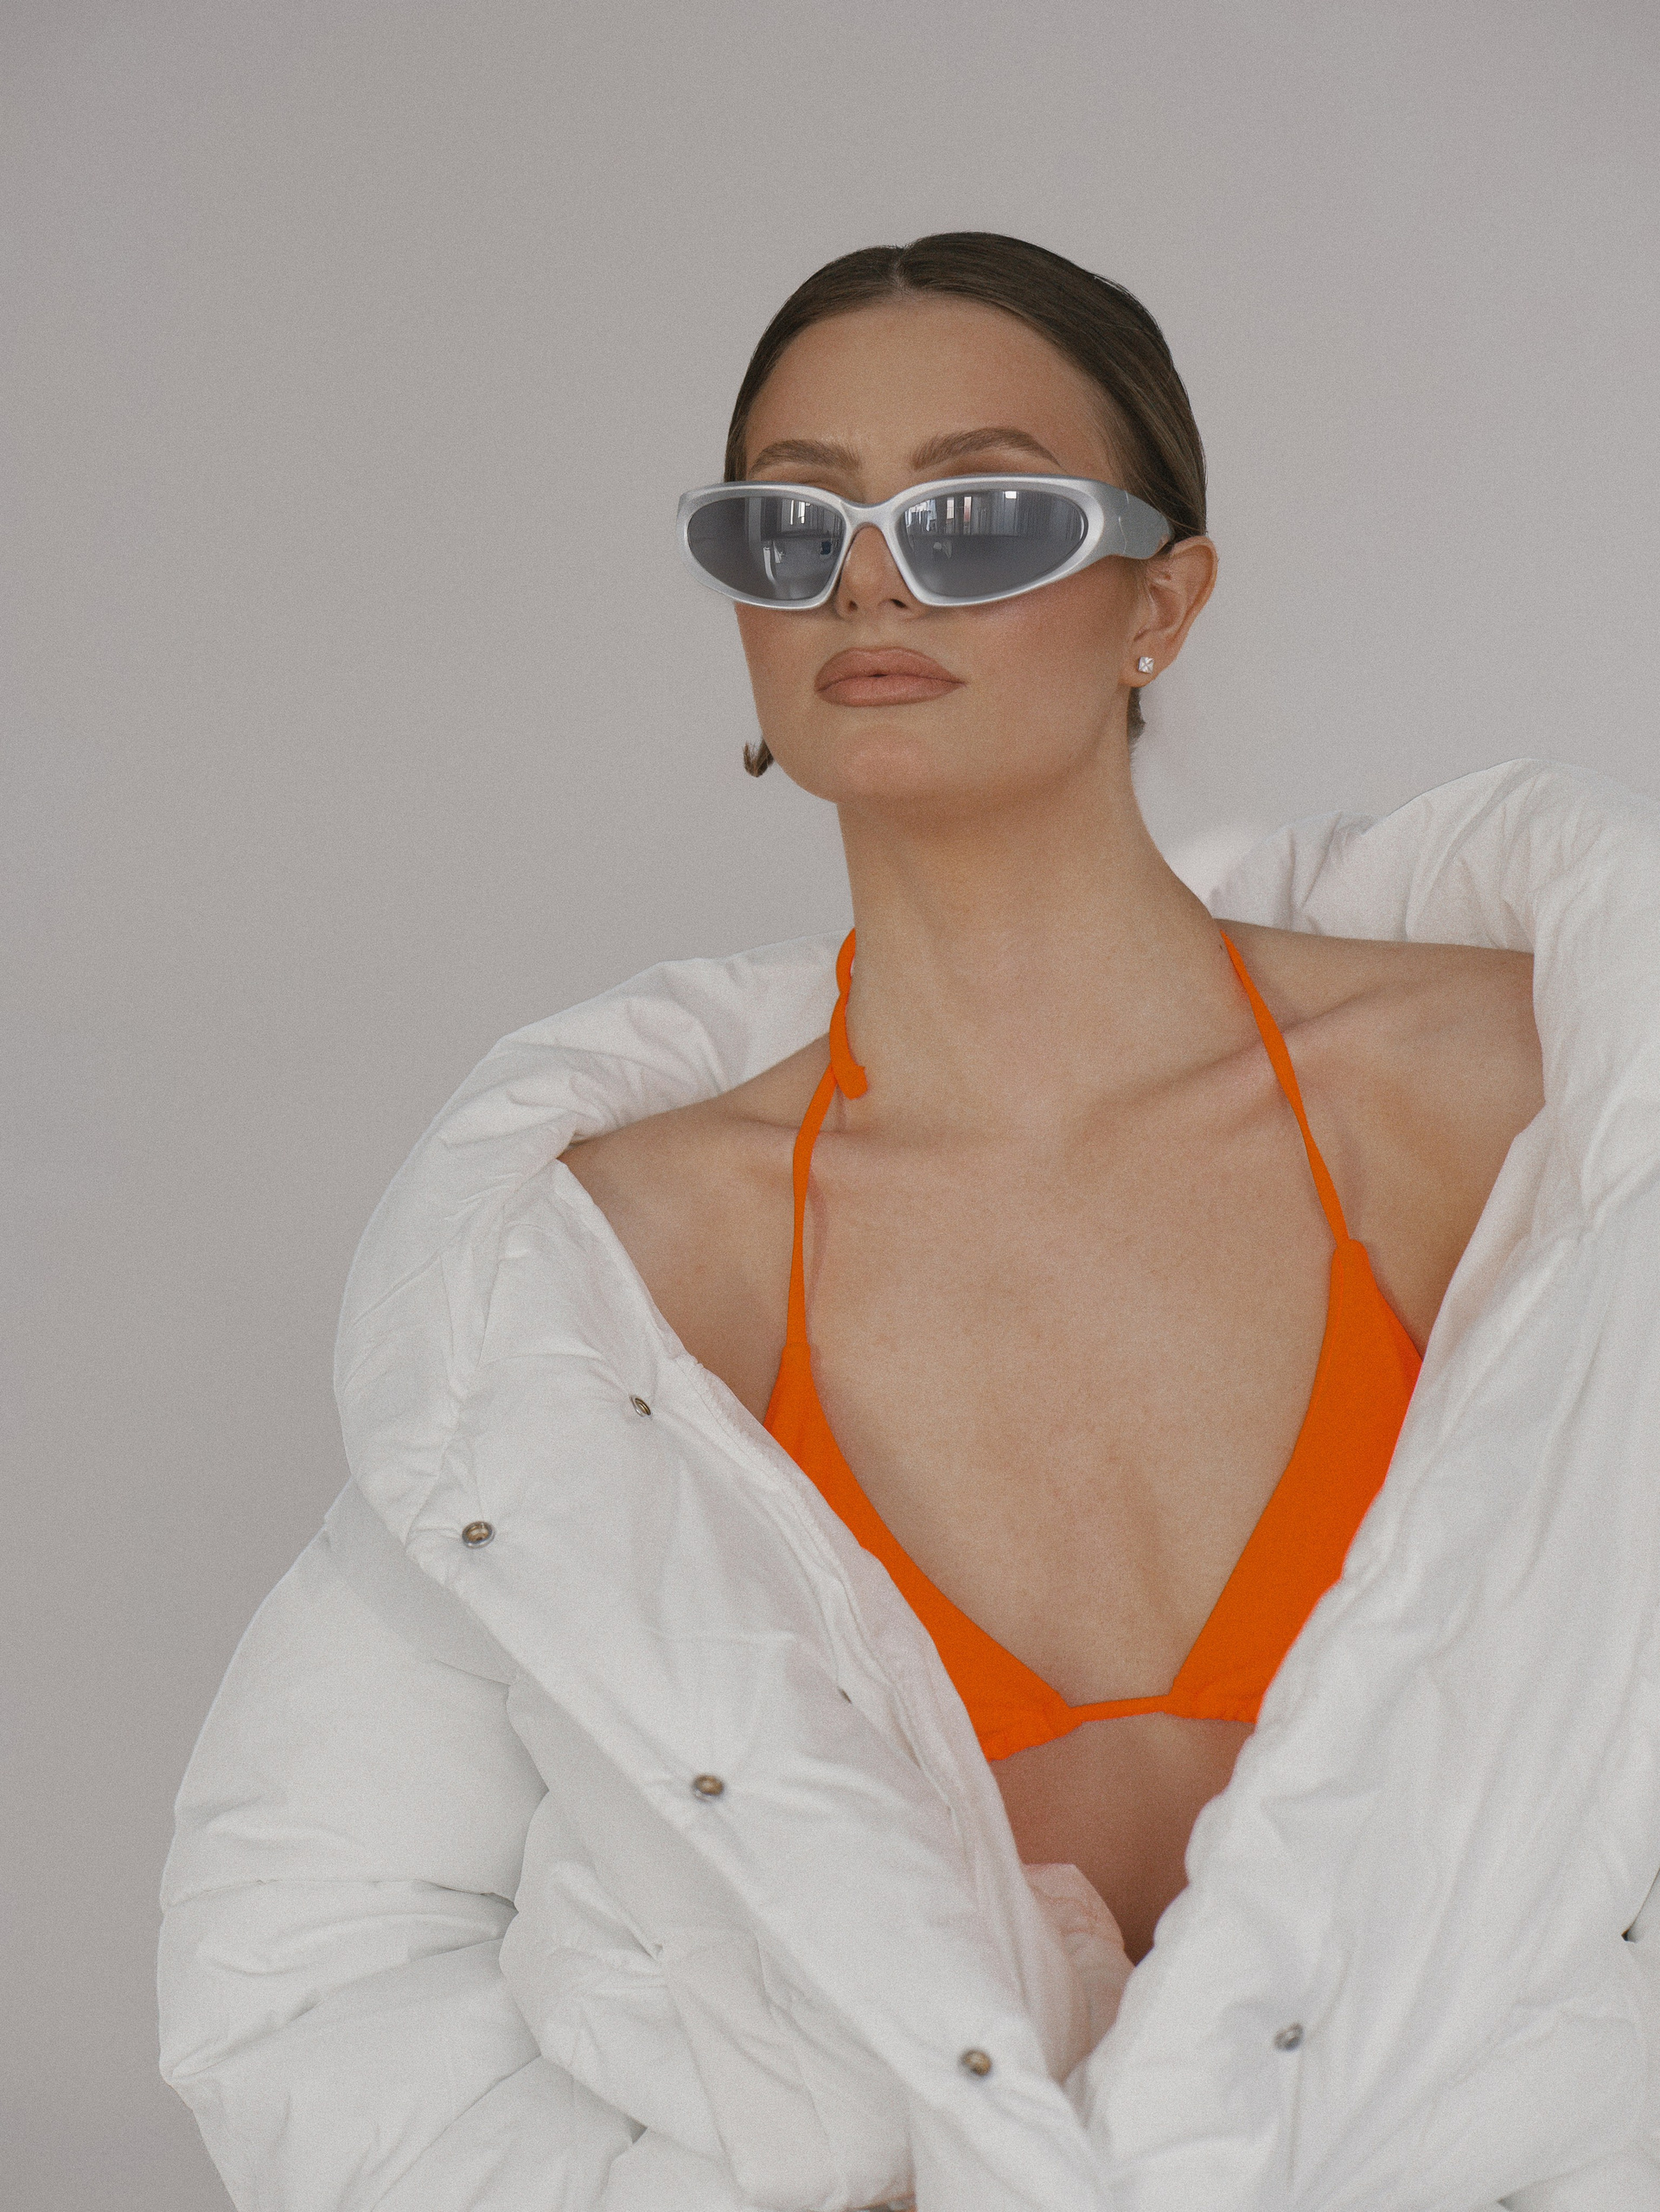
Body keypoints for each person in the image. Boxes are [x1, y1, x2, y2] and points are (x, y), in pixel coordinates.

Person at [159, 235, 1660, 2212]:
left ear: (1162, 599)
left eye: (978, 516)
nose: (868, 578)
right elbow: (309, 1951)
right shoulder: (625, 1257)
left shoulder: (1521, 1102)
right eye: (791, 524)